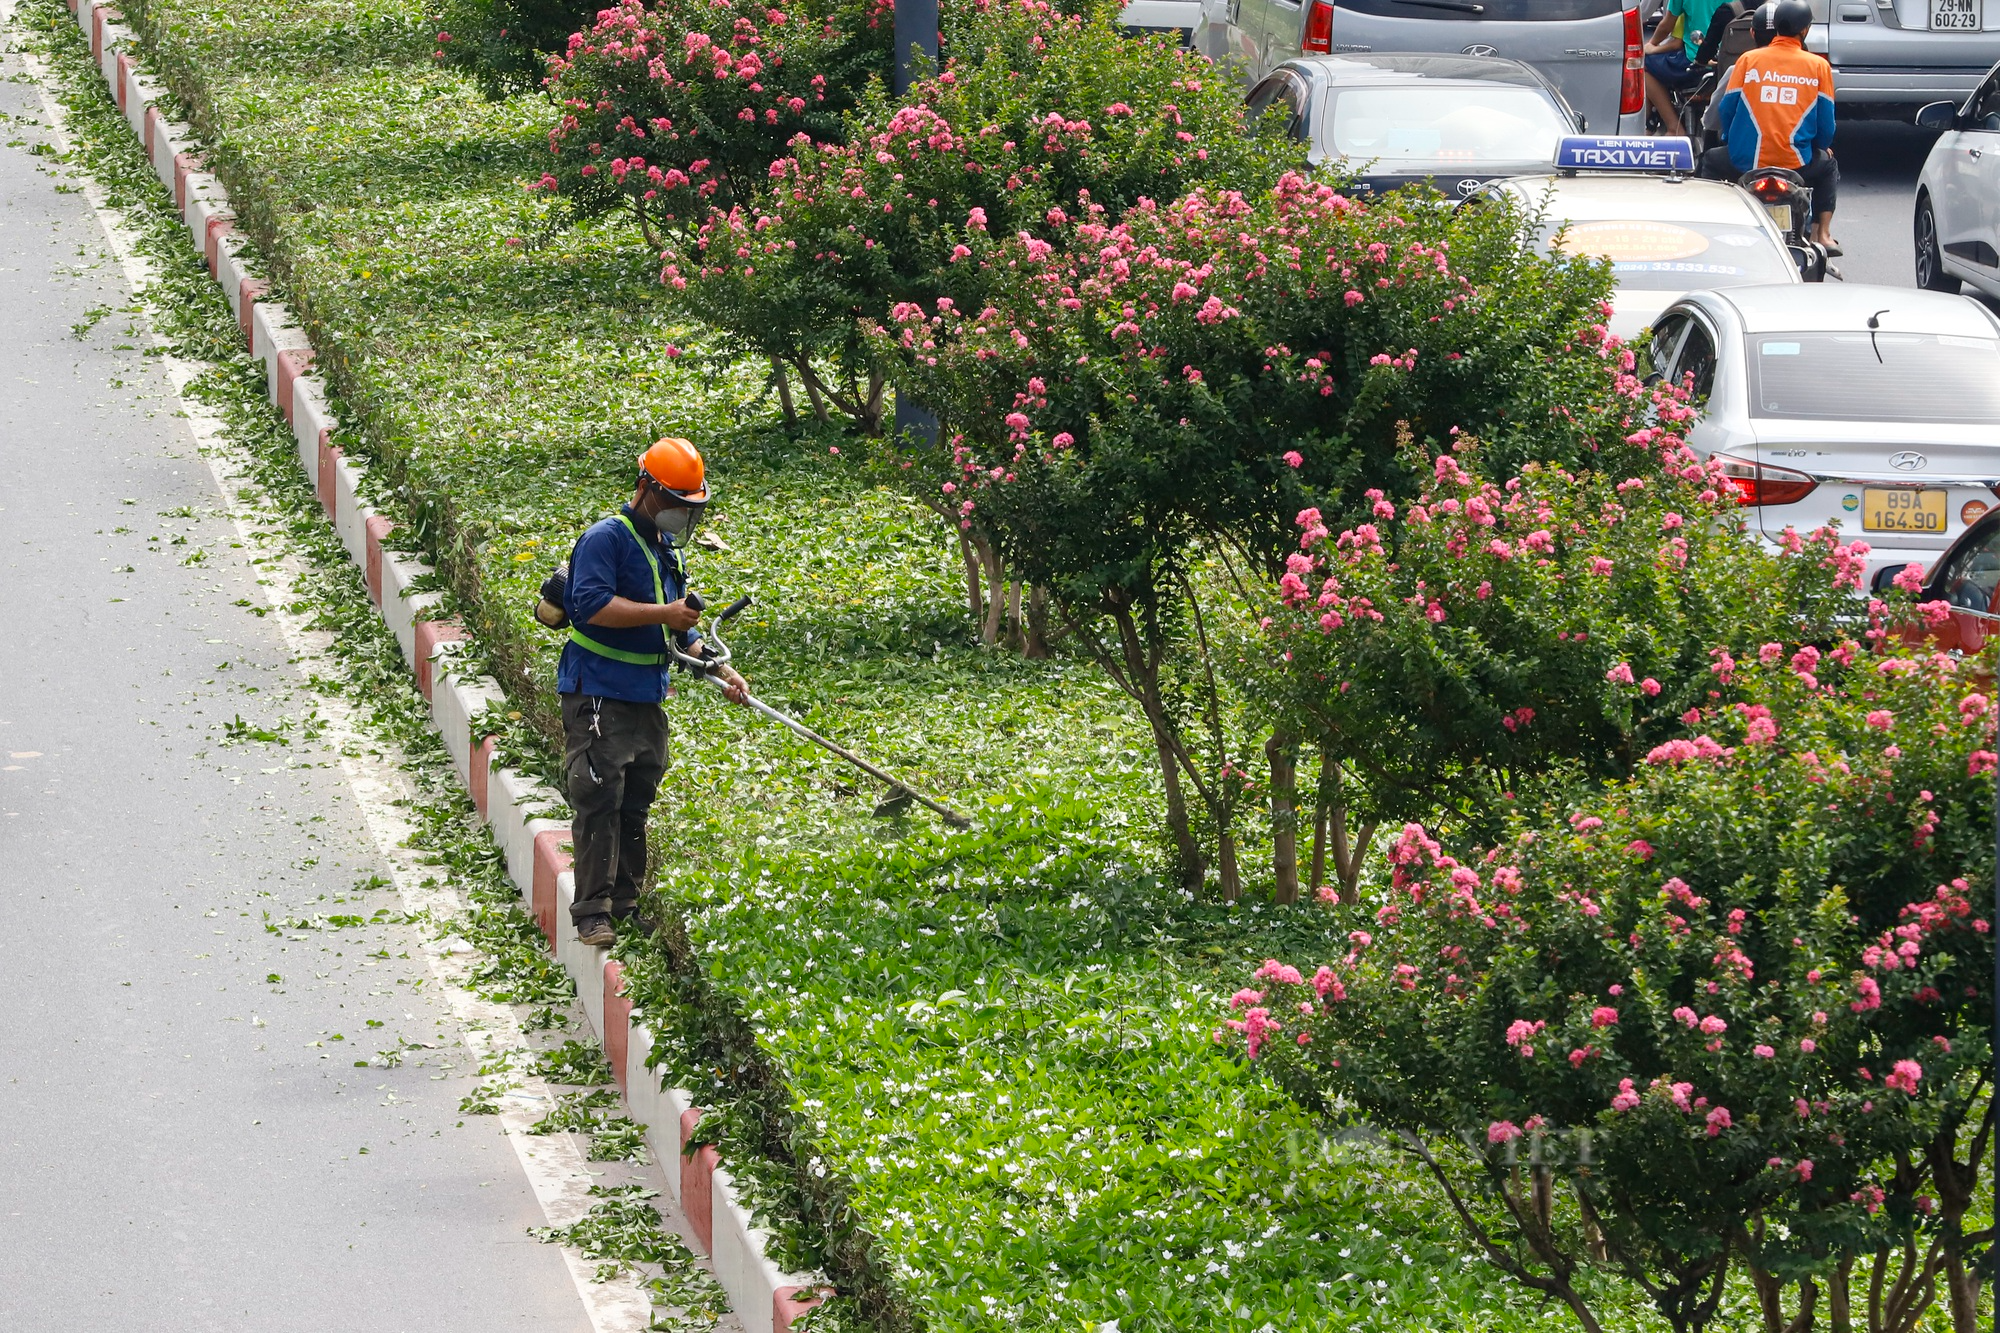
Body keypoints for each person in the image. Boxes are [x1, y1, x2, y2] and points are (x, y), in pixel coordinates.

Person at [557, 436, 749, 947]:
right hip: (598, 692)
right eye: (673, 505)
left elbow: (679, 627)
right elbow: (592, 605)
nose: (680, 517)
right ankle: (591, 913)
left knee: (635, 803)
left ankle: (625, 903)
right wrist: (666, 614)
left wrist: (718, 667)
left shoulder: (664, 551)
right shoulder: (607, 539)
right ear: (645, 489)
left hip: (646, 697)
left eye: (690, 509)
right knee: (598, 797)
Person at [1709, 0, 1841, 252]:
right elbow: (1826, 124)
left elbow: (1726, 109)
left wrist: (1730, 137)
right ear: (1805, 30)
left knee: (1710, 162)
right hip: (1796, 162)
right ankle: (1822, 235)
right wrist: (1823, 146)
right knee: (1828, 166)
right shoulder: (1817, 66)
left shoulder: (1748, 60)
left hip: (1745, 161)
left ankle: (1710, 226)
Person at [1643, 0, 1736, 138]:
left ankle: (1673, 126)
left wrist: (1651, 45)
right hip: (1731, 60)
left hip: (1696, 62)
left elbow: (1667, 25)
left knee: (1645, 64)